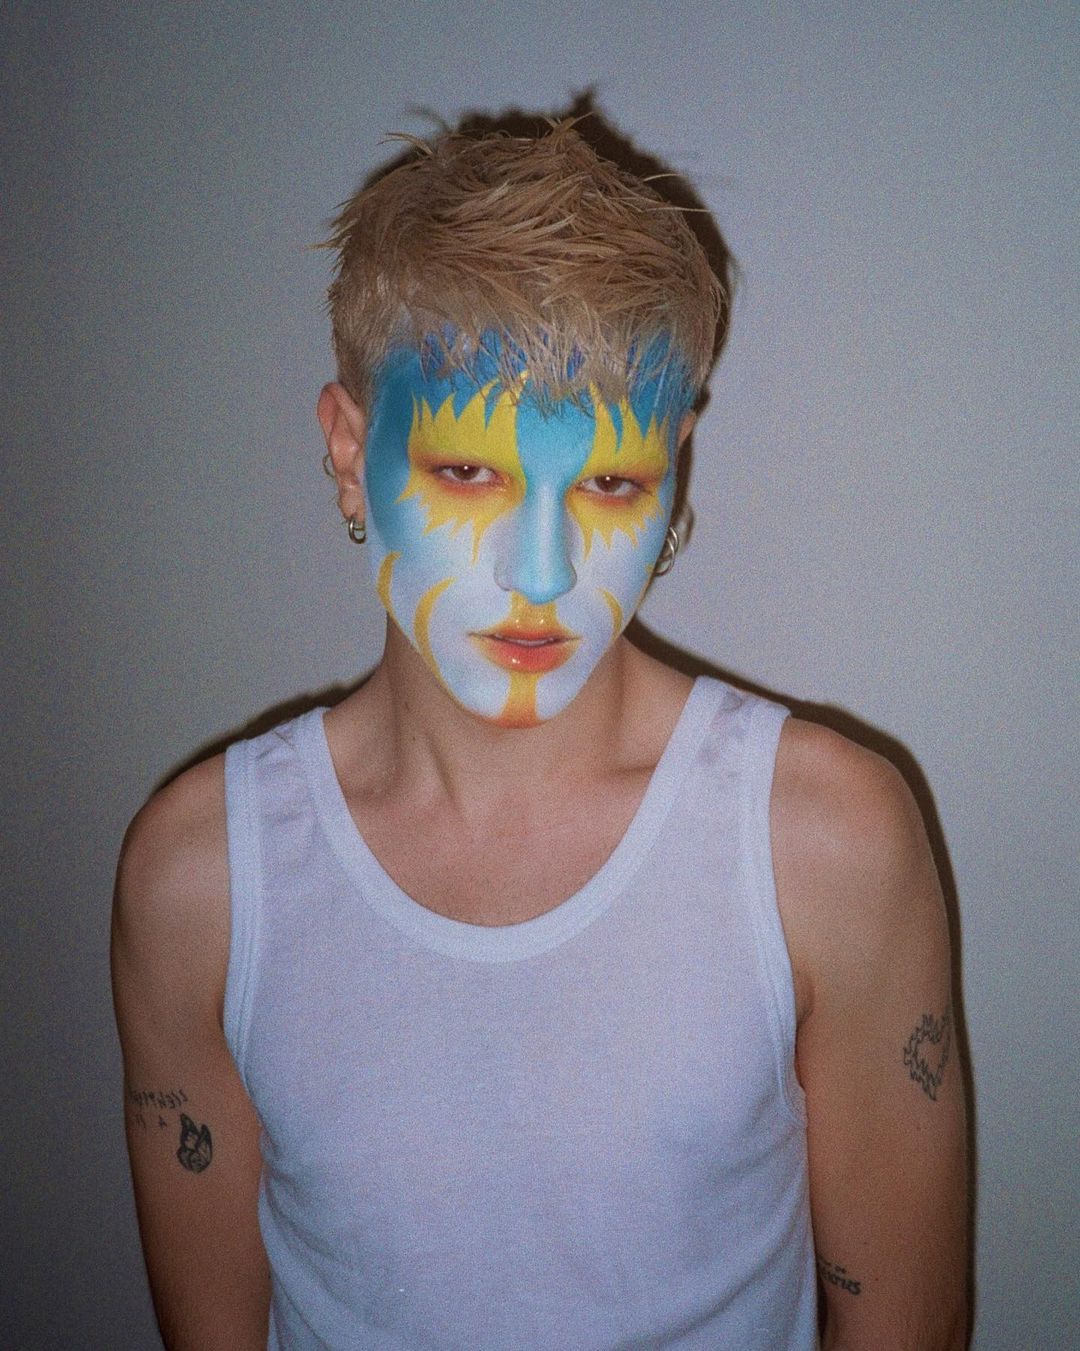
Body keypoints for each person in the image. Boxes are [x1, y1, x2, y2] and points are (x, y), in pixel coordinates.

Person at [112, 121, 968, 1349]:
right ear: (350, 451)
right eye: (469, 473)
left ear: (676, 465)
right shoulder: (200, 877)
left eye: (611, 484)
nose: (543, 574)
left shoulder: (828, 844)